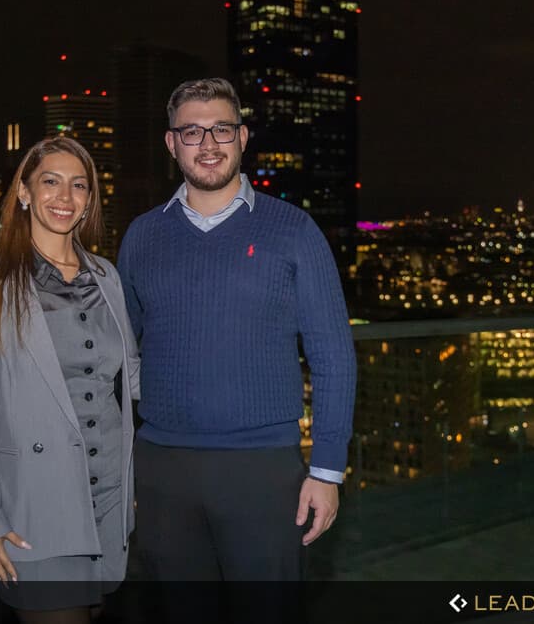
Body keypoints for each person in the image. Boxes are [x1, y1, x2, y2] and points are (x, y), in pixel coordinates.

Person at [117, 78, 357, 588]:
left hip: (263, 468)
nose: (208, 144)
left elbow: (333, 356)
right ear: (171, 144)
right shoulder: (142, 235)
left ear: (243, 138)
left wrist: (327, 471)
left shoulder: (294, 230)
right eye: (192, 132)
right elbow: (123, 350)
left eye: (222, 129)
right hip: (161, 470)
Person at [0, 136, 140, 624]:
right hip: (36, 506)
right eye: (50, 182)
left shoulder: (107, 277)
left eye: (79, 185)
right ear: (24, 191)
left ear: (90, 199)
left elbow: (131, 378)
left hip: (108, 501)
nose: (65, 196)